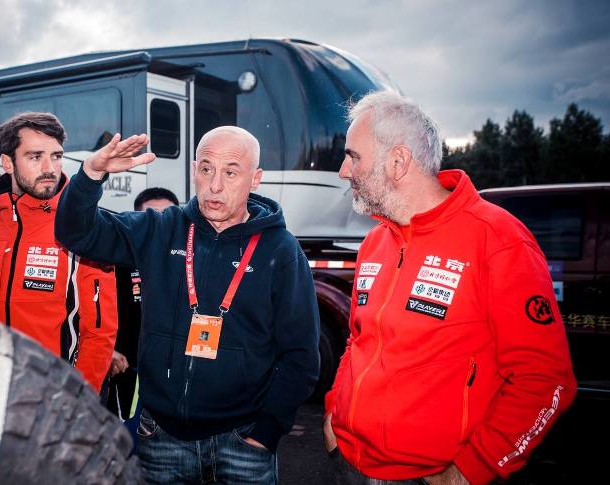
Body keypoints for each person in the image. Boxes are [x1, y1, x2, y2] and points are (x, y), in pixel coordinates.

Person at [323, 91, 576, 485]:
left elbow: (546, 379)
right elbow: (359, 339)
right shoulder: (374, 242)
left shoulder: (497, 238)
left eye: (353, 156)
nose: (343, 171)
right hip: (348, 462)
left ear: (398, 161)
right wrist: (332, 413)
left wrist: (472, 469)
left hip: (430, 477)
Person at [55, 126, 319, 484]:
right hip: (161, 437)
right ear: (194, 169)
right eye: (206, 169)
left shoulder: (281, 249)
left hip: (243, 441)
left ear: (255, 179)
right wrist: (91, 174)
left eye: (230, 172)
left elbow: (301, 354)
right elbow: (75, 232)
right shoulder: (161, 229)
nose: (214, 185)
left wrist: (267, 431)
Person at [0, 112, 117, 393]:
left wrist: (76, 400)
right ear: (7, 163)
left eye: (56, 156)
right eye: (35, 156)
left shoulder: (84, 229)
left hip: (53, 398)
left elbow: (99, 333)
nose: (50, 168)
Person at [106, 188, 179, 426]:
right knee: (126, 439)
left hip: (177, 376)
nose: (160, 224)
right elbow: (92, 308)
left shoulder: (194, 259)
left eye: (167, 216)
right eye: (152, 217)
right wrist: (106, 350)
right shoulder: (116, 259)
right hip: (127, 371)